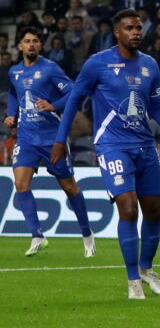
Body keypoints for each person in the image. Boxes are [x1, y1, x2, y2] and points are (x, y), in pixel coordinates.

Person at [51, 10, 160, 299]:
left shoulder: (150, 65)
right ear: (117, 32)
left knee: (155, 210)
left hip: (145, 145)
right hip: (112, 145)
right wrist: (59, 139)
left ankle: (146, 269)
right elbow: (75, 100)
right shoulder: (97, 64)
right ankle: (132, 281)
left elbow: (157, 107)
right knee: (128, 208)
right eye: (129, 28)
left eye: (139, 27)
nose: (136, 32)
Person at [5, 27, 95, 256]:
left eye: (35, 41)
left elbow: (74, 92)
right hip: (26, 138)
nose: (31, 44)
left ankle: (87, 234)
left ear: (40, 45)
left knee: (69, 187)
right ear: (20, 46)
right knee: (20, 184)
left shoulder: (50, 68)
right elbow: (14, 93)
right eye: (27, 41)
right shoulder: (14, 72)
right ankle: (37, 235)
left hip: (51, 138)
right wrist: (11, 114)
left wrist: (53, 106)